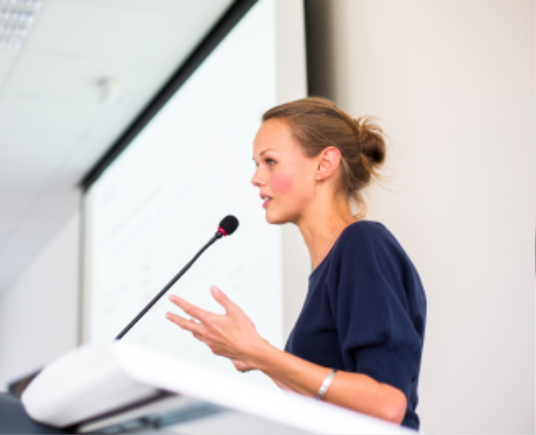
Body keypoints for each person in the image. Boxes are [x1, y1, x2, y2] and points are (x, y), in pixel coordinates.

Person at [165, 97, 426, 430]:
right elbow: (324, 407)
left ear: (324, 164)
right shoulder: (330, 265)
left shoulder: (362, 245)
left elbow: (387, 405)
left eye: (270, 161)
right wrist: (254, 357)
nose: (256, 178)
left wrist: (259, 351)